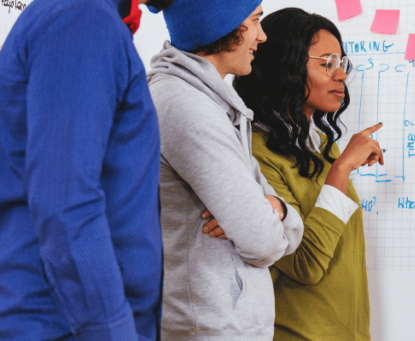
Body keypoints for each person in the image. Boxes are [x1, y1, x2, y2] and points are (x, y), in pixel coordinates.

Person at [0, 0, 175, 339]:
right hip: (62, 324)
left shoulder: (87, 19)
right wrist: (111, 331)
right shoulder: (82, 19)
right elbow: (65, 202)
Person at [147, 0, 305, 339]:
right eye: (255, 21)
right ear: (222, 24)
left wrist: (276, 209)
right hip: (209, 328)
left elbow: (284, 229)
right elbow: (263, 242)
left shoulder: (214, 104)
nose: (262, 36)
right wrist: (264, 215)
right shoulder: (188, 108)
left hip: (222, 324)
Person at [232, 8, 382, 340]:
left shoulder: (322, 145)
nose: (341, 75)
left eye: (341, 63)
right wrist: (342, 169)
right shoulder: (256, 153)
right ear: (287, 67)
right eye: (326, 63)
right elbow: (305, 265)